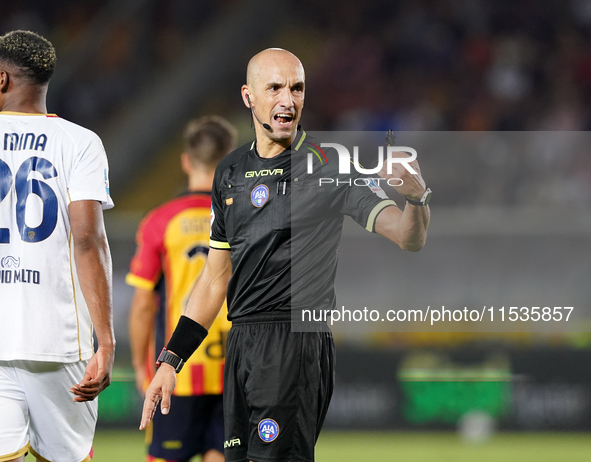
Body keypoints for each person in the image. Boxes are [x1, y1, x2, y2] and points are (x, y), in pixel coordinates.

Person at [140, 48, 430, 462]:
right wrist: (171, 359)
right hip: (241, 343)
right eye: (275, 88)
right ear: (248, 96)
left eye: (297, 88)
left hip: (295, 342)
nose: (287, 100)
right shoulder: (231, 172)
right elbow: (214, 278)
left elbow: (407, 236)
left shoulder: (332, 164)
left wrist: (418, 199)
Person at [0, 31, 115, 462]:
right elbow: (88, 240)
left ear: (2, 80)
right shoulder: (80, 142)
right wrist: (105, 341)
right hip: (57, 341)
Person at [127, 116, 236, 462]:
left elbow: (144, 303)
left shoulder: (161, 221)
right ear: (229, 160)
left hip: (177, 372)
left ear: (187, 161)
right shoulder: (243, 218)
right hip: (234, 369)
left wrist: (142, 366)